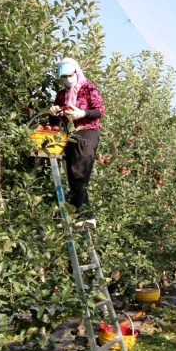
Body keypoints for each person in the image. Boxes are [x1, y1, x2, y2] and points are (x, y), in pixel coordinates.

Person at [49, 58, 104, 228]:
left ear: (76, 72)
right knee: (72, 175)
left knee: (79, 172)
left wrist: (82, 113)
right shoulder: (61, 94)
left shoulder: (88, 88)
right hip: (70, 136)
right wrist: (53, 112)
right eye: (63, 77)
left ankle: (86, 215)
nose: (67, 79)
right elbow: (54, 122)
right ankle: (78, 215)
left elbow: (99, 111)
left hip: (87, 132)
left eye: (69, 75)